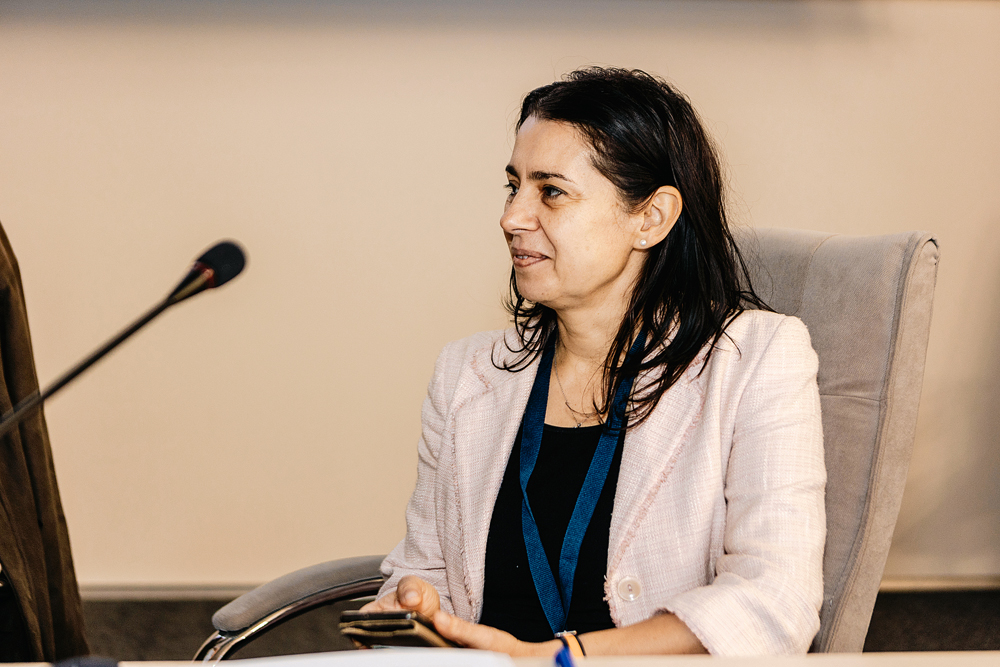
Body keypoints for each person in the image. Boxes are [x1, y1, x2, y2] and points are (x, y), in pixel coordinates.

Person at [363, 67, 826, 656]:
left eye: (551, 192)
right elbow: (425, 570)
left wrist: (564, 659)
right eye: (513, 187)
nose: (512, 217)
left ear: (651, 217)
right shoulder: (466, 373)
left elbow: (774, 601)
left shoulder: (755, 360)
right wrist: (414, 603)